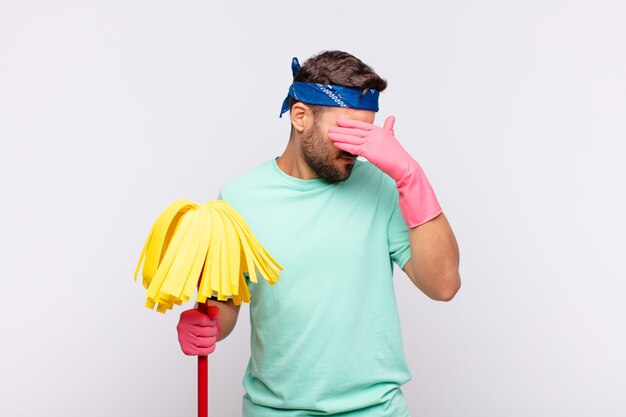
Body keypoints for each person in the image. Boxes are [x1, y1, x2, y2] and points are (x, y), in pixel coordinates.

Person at [176, 50, 461, 417]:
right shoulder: (239, 198)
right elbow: (226, 303)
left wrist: (410, 176)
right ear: (300, 116)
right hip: (274, 410)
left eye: (367, 133)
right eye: (347, 130)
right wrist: (207, 324)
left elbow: (444, 285)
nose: (358, 148)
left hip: (375, 410)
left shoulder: (384, 187)